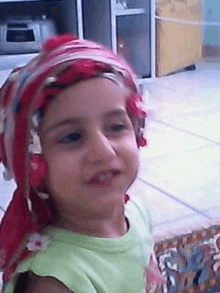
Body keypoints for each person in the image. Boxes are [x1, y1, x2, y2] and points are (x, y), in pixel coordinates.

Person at [0, 34, 164, 293]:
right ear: (35, 164)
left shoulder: (137, 211)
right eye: (72, 137)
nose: (103, 151)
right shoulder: (55, 282)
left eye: (116, 127)